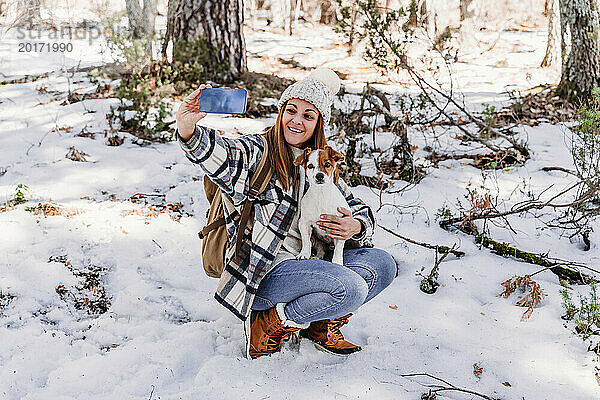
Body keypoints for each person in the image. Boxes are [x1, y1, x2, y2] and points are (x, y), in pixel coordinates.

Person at [176, 68, 397, 359]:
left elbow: (354, 205)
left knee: (382, 264)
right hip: (266, 272)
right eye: (291, 110)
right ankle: (268, 323)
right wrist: (187, 128)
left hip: (312, 261)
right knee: (351, 287)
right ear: (281, 112)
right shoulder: (259, 152)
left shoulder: (320, 161)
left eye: (308, 115)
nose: (296, 121)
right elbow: (221, 154)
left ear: (318, 123)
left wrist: (354, 225)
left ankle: (320, 325)